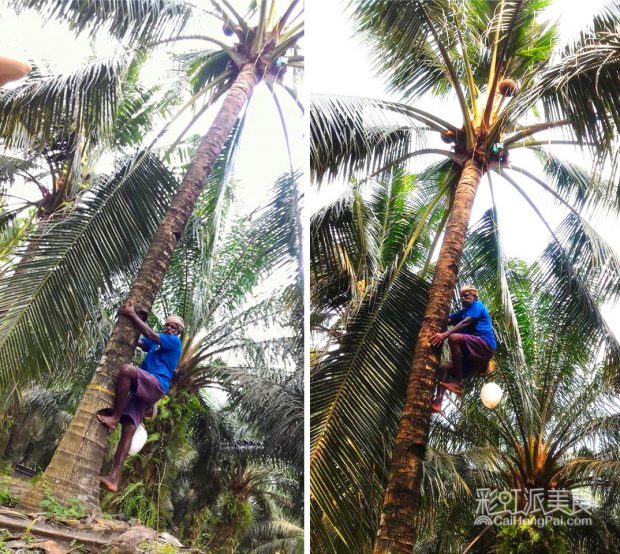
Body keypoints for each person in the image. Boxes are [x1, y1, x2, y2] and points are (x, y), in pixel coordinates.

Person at [97, 303, 184, 492]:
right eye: (167, 325)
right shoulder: (157, 343)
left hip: (156, 384)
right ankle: (113, 479)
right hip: (142, 387)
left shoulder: (174, 342)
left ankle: (114, 417)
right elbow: (143, 342)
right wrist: (124, 330)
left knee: (127, 370)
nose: (169, 328)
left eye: (173, 327)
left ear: (178, 332)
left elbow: (151, 335)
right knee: (128, 429)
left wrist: (132, 315)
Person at [429, 285, 496, 413]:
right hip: (471, 359)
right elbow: (444, 321)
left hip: (486, 346)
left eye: (467, 295)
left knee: (453, 338)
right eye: (462, 297)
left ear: (475, 296)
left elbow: (467, 322)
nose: (464, 298)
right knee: (445, 368)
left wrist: (444, 335)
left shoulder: (478, 306)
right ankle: (437, 403)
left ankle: (457, 383)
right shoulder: (462, 313)